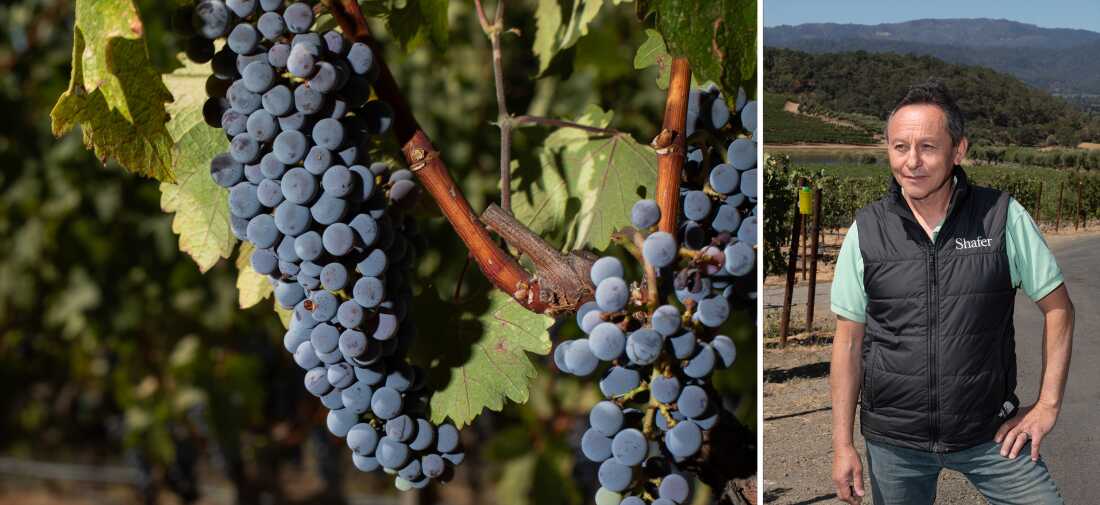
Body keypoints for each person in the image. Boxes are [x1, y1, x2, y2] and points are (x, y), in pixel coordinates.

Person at [828, 80, 1074, 505]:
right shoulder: (866, 231)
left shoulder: (1001, 218)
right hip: (893, 443)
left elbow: (1059, 310)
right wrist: (842, 445)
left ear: (958, 150)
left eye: (928, 147)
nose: (912, 162)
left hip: (989, 436)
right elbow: (848, 343)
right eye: (900, 147)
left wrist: (1047, 405)